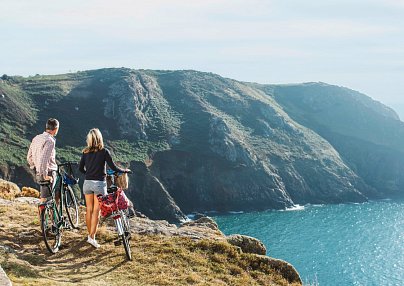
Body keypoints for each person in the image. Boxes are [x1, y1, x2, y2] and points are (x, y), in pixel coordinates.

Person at [79, 128, 130, 248]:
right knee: (96, 212)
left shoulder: (85, 152)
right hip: (99, 184)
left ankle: (89, 235)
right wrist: (125, 170)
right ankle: (92, 238)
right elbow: (114, 167)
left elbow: (81, 169)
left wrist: (89, 172)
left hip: (87, 183)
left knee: (89, 210)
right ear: (100, 138)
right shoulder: (104, 152)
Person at [27, 118, 60, 204]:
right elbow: (44, 159)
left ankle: (43, 216)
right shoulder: (50, 141)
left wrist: (34, 167)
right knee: (48, 200)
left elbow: (29, 157)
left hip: (38, 172)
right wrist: (45, 175)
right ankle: (52, 216)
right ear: (56, 129)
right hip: (48, 173)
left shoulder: (36, 138)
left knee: (44, 197)